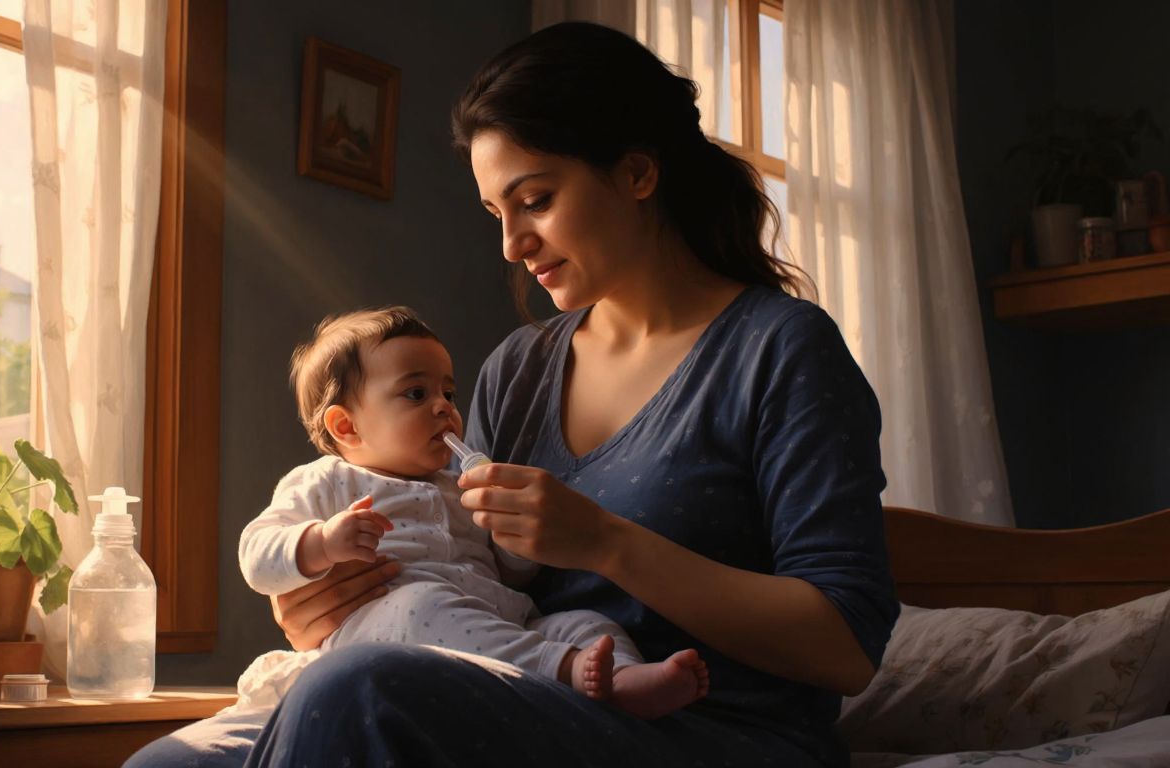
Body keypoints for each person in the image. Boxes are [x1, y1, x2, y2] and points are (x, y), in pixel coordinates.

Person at [126, 20, 896, 768]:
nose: (511, 245)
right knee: (175, 760)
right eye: (498, 213)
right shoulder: (518, 371)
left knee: (359, 692)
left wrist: (605, 541)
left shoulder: (779, 350)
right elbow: (459, 580)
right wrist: (330, 602)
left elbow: (846, 646)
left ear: (636, 172)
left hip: (716, 732)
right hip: (523, 694)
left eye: (534, 201)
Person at [235, 306, 709, 717]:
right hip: (389, 628)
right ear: (347, 426)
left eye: (449, 393)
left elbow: (512, 575)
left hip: (500, 622)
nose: (444, 407)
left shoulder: (460, 487)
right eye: (417, 394)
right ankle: (565, 669)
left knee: (583, 623)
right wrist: (320, 543)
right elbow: (256, 555)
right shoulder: (327, 481)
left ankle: (624, 682)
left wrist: (511, 539)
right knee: (422, 604)